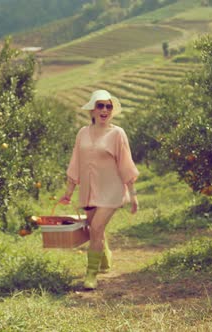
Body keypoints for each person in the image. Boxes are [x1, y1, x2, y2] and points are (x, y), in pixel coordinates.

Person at [59, 89, 139, 290]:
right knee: (94, 228)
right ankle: (104, 257)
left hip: (111, 190)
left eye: (108, 106)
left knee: (96, 228)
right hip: (89, 189)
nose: (105, 109)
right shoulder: (82, 133)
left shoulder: (117, 133)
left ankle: (91, 274)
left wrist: (133, 194)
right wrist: (68, 192)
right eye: (100, 105)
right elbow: (75, 163)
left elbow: (125, 164)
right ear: (92, 110)